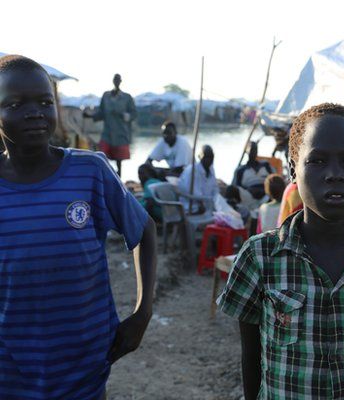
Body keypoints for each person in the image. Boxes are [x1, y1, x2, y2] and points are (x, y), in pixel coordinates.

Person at [217, 103, 344, 399]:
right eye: (317, 161)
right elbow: (251, 354)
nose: (334, 174)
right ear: (292, 170)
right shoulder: (259, 257)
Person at [0, 55, 156, 400]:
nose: (35, 112)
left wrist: (143, 312)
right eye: (14, 103)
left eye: (45, 101)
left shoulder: (90, 172)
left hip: (83, 363)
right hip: (9, 368)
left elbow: (144, 229)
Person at [84, 73, 136, 176]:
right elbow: (101, 113)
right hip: (107, 133)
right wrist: (89, 115)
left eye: (118, 79)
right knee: (101, 156)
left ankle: (119, 179)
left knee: (119, 160)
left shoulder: (127, 97)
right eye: (115, 79)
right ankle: (105, 177)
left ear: (121, 81)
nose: (116, 81)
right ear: (113, 81)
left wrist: (123, 115)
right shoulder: (106, 96)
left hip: (121, 133)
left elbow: (134, 114)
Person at [178, 144, 218, 215]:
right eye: (206, 157)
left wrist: (218, 202)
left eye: (211, 157)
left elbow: (215, 189)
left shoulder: (211, 169)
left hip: (208, 203)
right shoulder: (192, 171)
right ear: (200, 157)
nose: (209, 160)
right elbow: (196, 194)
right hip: (192, 206)